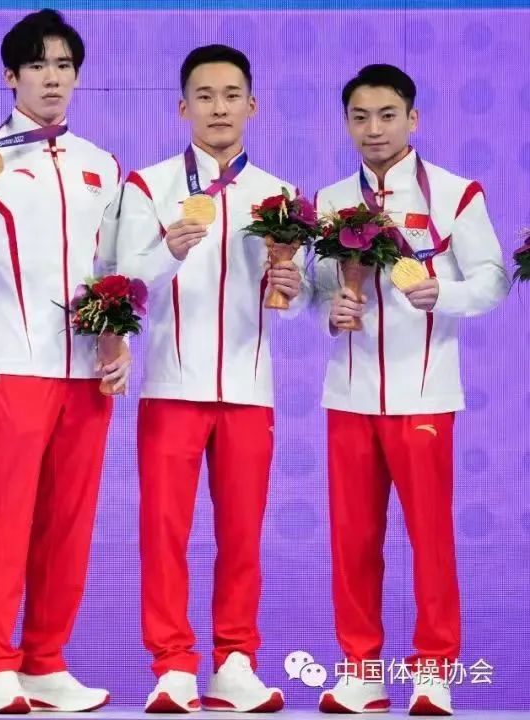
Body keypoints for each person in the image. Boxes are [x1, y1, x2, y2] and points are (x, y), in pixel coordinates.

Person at [0, 9, 126, 714]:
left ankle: (44, 662)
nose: (52, 77)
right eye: (38, 65)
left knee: (69, 522)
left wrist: (118, 341)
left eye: (64, 65)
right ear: (10, 76)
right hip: (16, 362)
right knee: (7, 518)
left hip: (87, 372)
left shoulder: (102, 165)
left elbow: (116, 268)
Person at [313, 63, 508, 716]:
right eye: (360, 117)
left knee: (430, 539)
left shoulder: (455, 194)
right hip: (349, 395)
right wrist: (330, 308)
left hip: (425, 397)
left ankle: (434, 672)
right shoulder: (330, 200)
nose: (374, 128)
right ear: (346, 123)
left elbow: (492, 278)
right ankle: (361, 672)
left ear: (412, 119)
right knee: (353, 543)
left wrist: (442, 292)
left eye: (387, 115)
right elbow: (317, 288)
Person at [117, 44, 307, 714]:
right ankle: (172, 665)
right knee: (164, 533)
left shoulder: (281, 198)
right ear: (182, 108)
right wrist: (165, 252)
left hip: (249, 391)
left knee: (243, 536)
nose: (218, 108)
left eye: (231, 96)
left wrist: (294, 288)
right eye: (204, 96)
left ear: (252, 106)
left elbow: (299, 299)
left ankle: (234, 662)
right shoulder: (148, 187)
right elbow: (122, 282)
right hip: (171, 387)